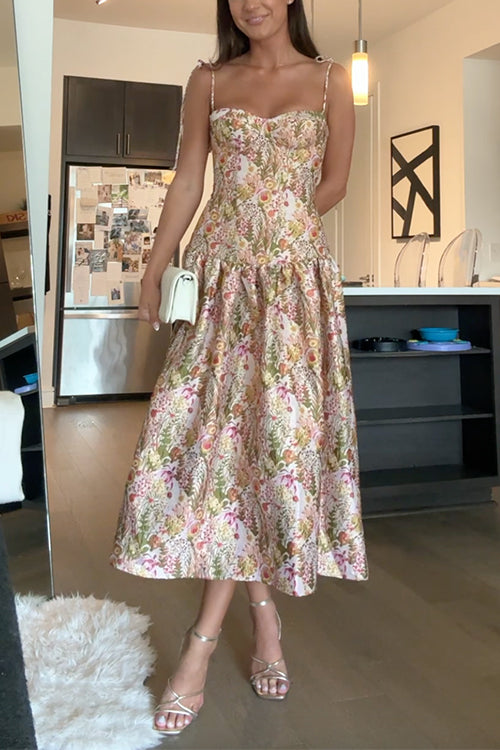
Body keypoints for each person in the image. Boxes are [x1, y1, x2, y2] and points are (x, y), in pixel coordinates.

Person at [110, 0, 368, 736]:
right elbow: (189, 183)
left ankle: (203, 642)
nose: (252, 2)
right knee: (213, 446)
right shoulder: (209, 81)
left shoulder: (332, 79)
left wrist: (279, 228)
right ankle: (262, 616)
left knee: (269, 450)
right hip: (220, 281)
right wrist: (156, 267)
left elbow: (335, 182)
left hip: (293, 286)